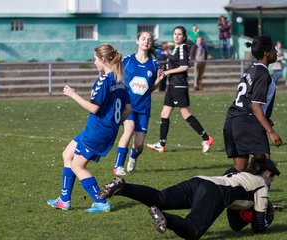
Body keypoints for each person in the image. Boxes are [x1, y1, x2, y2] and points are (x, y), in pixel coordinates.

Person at [98, 154, 280, 239]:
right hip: (214, 191)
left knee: (160, 197)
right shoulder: (262, 186)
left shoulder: (238, 173)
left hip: (200, 181)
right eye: (272, 177)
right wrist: (266, 221)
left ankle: (123, 187)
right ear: (268, 174)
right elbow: (258, 228)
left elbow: (234, 225)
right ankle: (165, 218)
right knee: (192, 231)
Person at [46, 43, 131, 213]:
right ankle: (64, 199)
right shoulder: (119, 79)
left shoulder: (104, 80)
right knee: (67, 154)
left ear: (104, 59)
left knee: (78, 166)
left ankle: (101, 202)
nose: (94, 62)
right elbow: (128, 108)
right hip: (102, 129)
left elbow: (94, 108)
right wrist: (115, 123)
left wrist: (73, 95)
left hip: (97, 131)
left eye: (95, 59)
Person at [147, 26, 214, 154]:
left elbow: (184, 66)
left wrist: (167, 71)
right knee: (164, 114)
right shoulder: (176, 49)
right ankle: (161, 144)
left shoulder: (182, 48)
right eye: (175, 34)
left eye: (179, 34)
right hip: (172, 86)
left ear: (184, 37)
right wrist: (166, 67)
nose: (177, 36)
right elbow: (175, 64)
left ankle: (207, 138)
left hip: (179, 86)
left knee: (185, 114)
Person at [223, 35, 282, 174]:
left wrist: (266, 119)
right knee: (265, 168)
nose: (276, 52)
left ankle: (219, 190)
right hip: (247, 121)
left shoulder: (251, 68)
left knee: (239, 169)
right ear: (267, 53)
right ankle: (259, 196)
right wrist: (271, 132)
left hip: (233, 120)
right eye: (274, 49)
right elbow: (255, 106)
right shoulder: (262, 73)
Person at [112, 32, 165, 175]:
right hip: (128, 106)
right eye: (143, 39)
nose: (146, 42)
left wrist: (158, 81)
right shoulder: (127, 60)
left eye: (149, 40)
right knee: (129, 129)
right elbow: (116, 76)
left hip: (143, 108)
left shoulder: (154, 64)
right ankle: (118, 166)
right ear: (137, 41)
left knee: (139, 145)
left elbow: (150, 88)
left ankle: (133, 156)